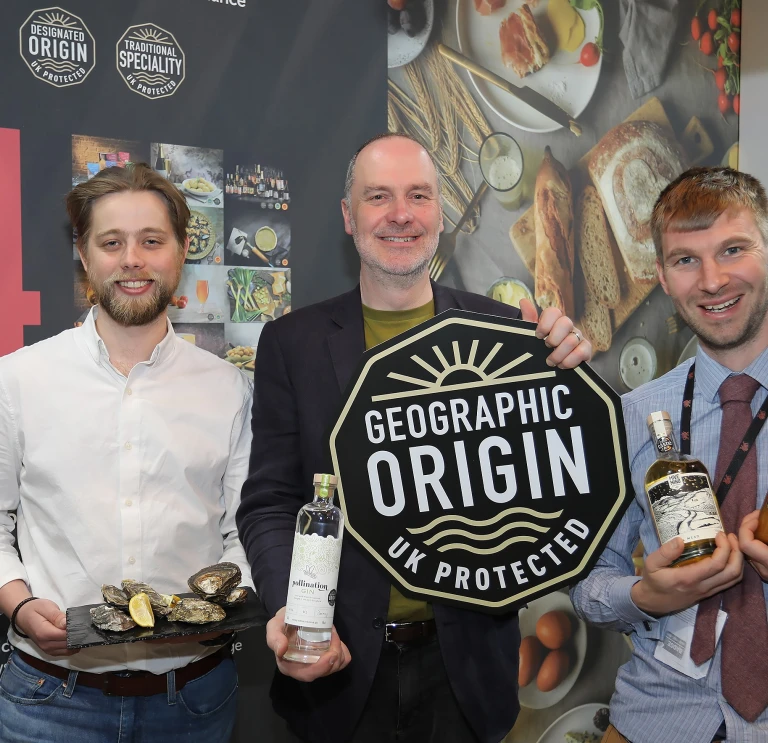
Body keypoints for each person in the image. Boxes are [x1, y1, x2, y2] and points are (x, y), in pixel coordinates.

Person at [237, 132, 592, 743]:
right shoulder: (291, 343)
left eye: (419, 196)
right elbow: (270, 500)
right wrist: (286, 612)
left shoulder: (507, 329)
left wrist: (571, 380)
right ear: (350, 217)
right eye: (379, 196)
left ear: (441, 212)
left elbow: (554, 479)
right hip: (340, 673)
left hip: (467, 673)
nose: (401, 214)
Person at [0, 163, 253, 743]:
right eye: (111, 243)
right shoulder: (18, 380)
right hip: (48, 701)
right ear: (84, 256)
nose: (132, 260)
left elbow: (244, 527)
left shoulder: (228, 387)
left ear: (182, 251)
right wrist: (17, 604)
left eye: (152, 241)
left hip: (195, 698)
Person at [571, 167, 768, 743]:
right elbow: (588, 582)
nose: (712, 280)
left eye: (733, 249)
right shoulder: (631, 415)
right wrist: (646, 595)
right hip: (656, 715)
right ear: (660, 275)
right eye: (686, 260)